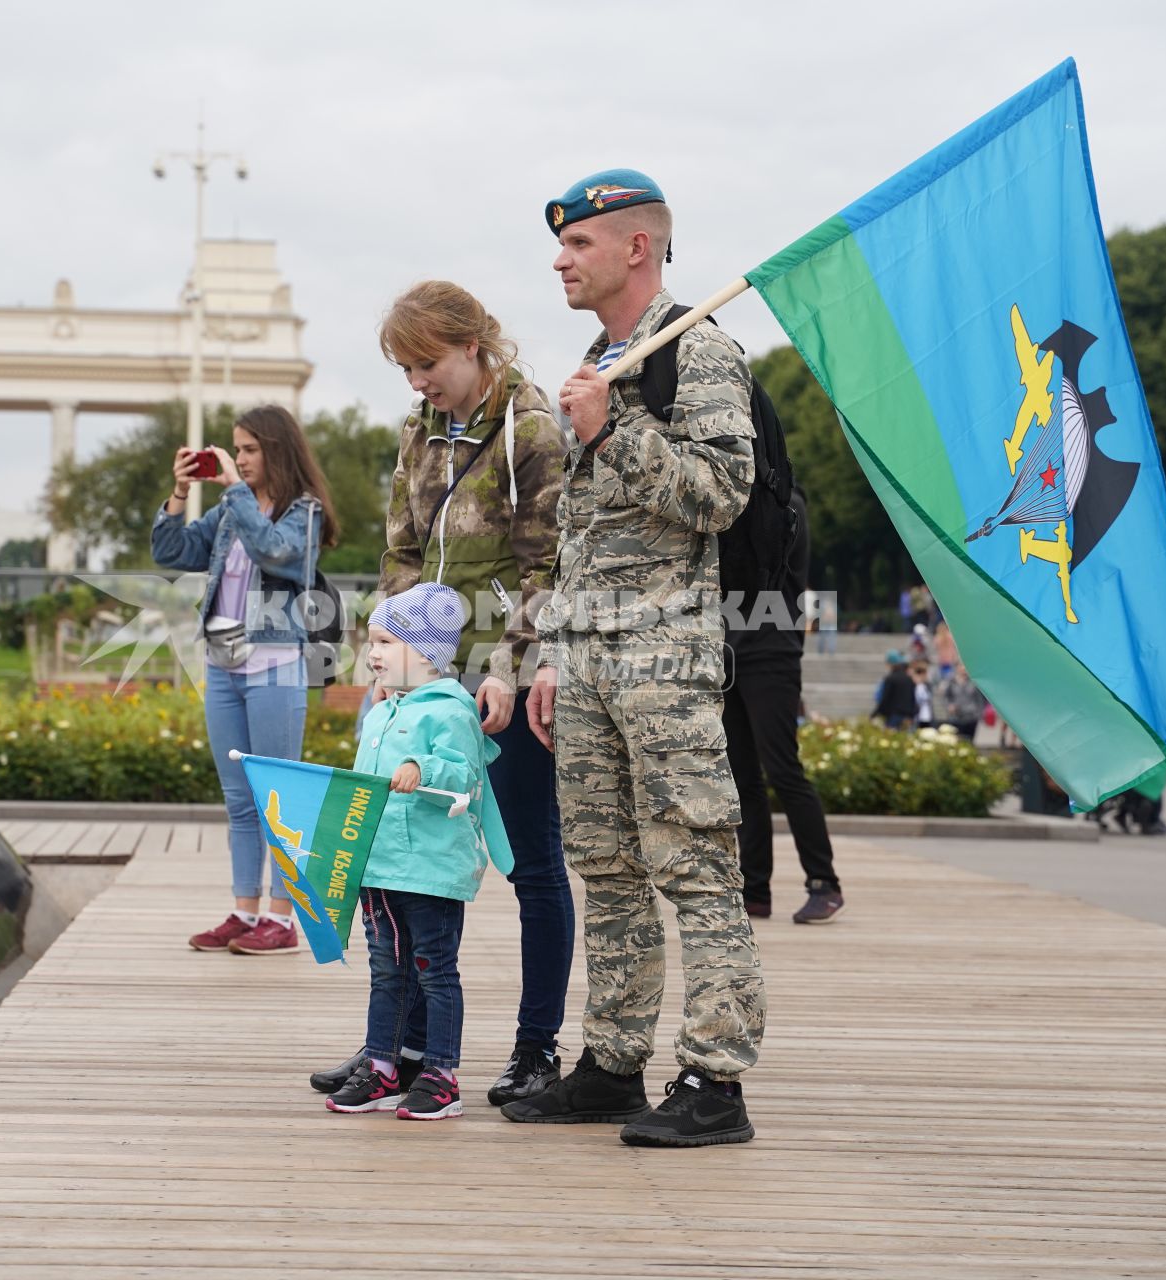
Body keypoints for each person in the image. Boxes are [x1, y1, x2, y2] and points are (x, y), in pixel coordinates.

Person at [506, 167, 765, 1148]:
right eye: (562, 243)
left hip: (664, 653)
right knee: (606, 865)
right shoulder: (598, 356)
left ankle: (715, 1076)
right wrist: (546, 655)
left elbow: (721, 490)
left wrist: (612, 429)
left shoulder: (692, 352)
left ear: (636, 249)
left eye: (579, 243)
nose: (562, 258)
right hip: (589, 660)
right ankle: (614, 1061)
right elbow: (579, 532)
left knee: (695, 861)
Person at [317, 280, 573, 1106]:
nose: (416, 381)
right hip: (423, 676)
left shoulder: (530, 427)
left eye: (426, 363)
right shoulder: (418, 431)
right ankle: (403, 1051)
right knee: (404, 859)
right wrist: (385, 657)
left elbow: (547, 565)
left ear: (472, 345)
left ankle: (535, 1048)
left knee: (530, 859)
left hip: (506, 675)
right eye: (404, 367)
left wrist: (509, 664)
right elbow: (399, 550)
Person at [321, 584, 515, 1121]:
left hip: (428, 870)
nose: (372, 654)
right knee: (386, 971)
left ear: (426, 652)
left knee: (434, 969)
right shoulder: (383, 713)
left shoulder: (451, 709)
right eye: (371, 642)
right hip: (379, 866)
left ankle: (441, 1075)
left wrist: (423, 769)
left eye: (384, 641)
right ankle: (382, 1066)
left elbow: (465, 773)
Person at [152, 404, 339, 957]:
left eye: (250, 449)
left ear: (276, 451)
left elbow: (276, 552)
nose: (239, 459)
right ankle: (244, 911)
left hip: (275, 664)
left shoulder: (302, 512)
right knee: (238, 800)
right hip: (222, 664)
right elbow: (171, 552)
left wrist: (232, 491)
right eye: (236, 449)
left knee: (277, 797)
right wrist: (180, 495)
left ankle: (283, 921)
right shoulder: (231, 511)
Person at [721, 485, 845, 926]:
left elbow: (760, 561)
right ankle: (754, 890)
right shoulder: (727, 494)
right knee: (743, 778)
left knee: (783, 769)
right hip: (728, 649)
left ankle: (824, 882)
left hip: (772, 651)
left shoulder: (785, 502)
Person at [939, 663, 985, 743]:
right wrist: (949, 706)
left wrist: (979, 713)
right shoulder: (951, 682)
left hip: (971, 716)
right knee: (957, 739)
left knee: (970, 740)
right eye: (961, 667)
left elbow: (980, 699)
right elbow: (946, 697)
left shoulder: (973, 682)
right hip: (956, 716)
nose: (963, 670)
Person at [872, 650, 916, 730]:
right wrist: (912, 715)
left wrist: (875, 713)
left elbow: (885, 698)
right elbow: (912, 698)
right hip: (907, 716)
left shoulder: (890, 678)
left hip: (893, 715)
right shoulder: (909, 679)